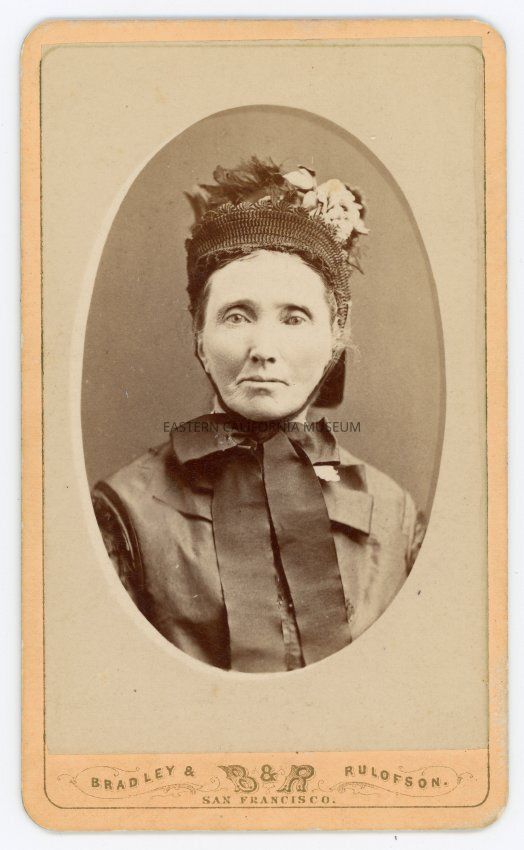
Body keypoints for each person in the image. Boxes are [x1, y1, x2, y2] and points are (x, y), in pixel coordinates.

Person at [92, 156, 425, 673]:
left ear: (335, 338)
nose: (263, 349)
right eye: (236, 316)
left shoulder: (394, 514)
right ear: (199, 337)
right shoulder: (123, 511)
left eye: (295, 318)